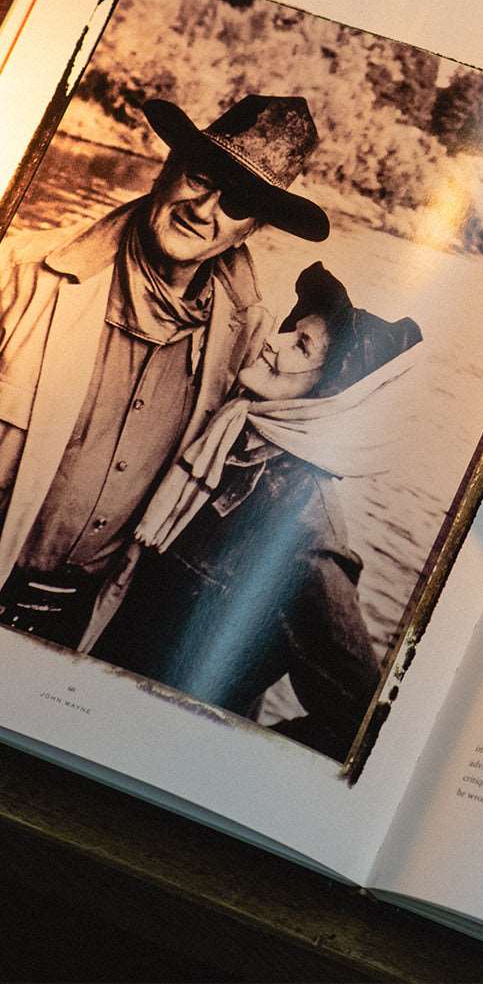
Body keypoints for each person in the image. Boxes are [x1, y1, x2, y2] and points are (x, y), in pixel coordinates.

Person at [0, 94, 330, 648]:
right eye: (201, 177)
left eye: (239, 200)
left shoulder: (248, 339)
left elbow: (294, 432)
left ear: (249, 231)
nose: (204, 210)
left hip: (76, 632)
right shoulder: (17, 273)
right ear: (167, 167)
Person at [89, 262, 423, 760]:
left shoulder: (306, 538)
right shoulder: (220, 444)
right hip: (93, 699)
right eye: (292, 330)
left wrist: (237, 753)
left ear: (326, 401)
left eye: (302, 347)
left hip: (158, 752)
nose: (276, 340)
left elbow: (359, 723)